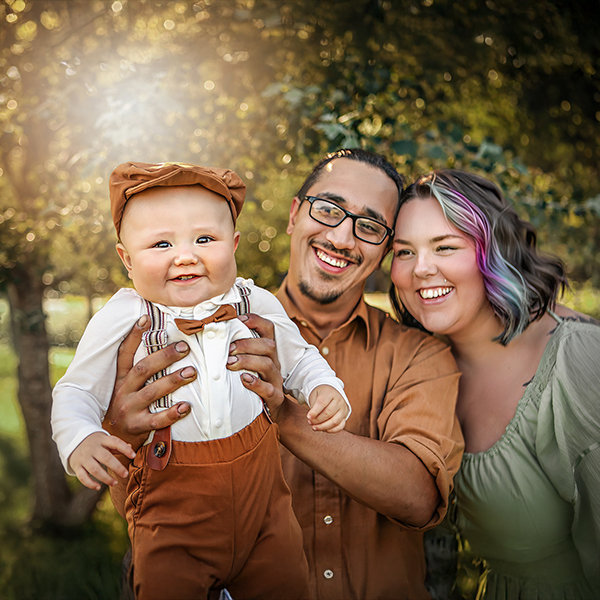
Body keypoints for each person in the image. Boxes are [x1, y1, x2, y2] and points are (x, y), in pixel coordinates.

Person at [102, 149, 465, 600]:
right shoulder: (172, 332)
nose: (342, 237)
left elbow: (419, 498)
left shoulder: (419, 355)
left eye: (369, 226)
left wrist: (281, 409)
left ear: (386, 248)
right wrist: (121, 431)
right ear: (295, 215)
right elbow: (136, 510)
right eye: (328, 210)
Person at [52, 161, 354, 600]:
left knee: (287, 582)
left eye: (204, 239)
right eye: (160, 243)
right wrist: (79, 435)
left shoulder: (255, 302)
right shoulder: (124, 316)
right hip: (173, 509)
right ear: (126, 258)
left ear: (233, 246)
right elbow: (76, 389)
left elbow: (299, 357)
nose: (186, 255)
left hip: (263, 505)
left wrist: (325, 387)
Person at [389, 169, 600, 599]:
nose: (421, 269)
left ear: (495, 252)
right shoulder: (421, 366)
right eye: (403, 251)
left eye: (445, 247)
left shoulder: (579, 362)